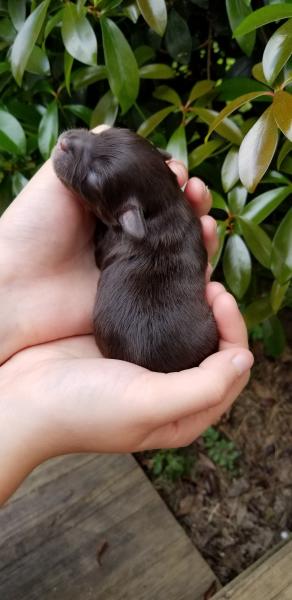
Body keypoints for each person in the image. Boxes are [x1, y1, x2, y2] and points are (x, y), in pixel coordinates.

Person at [0, 126, 253, 505]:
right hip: (169, 341)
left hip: (140, 338)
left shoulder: (126, 229)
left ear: (127, 218)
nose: (71, 143)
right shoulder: (161, 221)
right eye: (107, 136)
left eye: (92, 175)